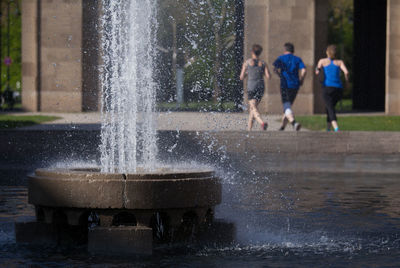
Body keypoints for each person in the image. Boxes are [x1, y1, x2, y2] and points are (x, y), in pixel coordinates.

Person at [273, 43, 306, 131]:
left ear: (285, 50)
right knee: (288, 105)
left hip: (285, 85)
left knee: (286, 106)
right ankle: (282, 127)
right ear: (293, 50)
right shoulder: (297, 59)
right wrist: (301, 79)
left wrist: (280, 75)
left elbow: (275, 69)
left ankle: (294, 123)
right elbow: (304, 70)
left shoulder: (281, 58)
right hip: (295, 85)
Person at [316, 45, 349, 132]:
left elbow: (317, 71)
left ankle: (336, 128)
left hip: (327, 88)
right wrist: (347, 83)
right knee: (329, 107)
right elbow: (346, 72)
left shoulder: (322, 61)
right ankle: (328, 128)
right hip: (338, 89)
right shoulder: (340, 62)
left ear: (327, 52)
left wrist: (319, 72)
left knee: (330, 108)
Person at [240, 44, 271, 131]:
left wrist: (248, 73)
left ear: (252, 52)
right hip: (260, 87)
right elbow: (268, 76)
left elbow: (241, 77)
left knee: (253, 108)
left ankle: (262, 123)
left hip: (251, 87)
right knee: (253, 109)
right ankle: (249, 129)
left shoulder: (247, 62)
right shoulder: (263, 63)